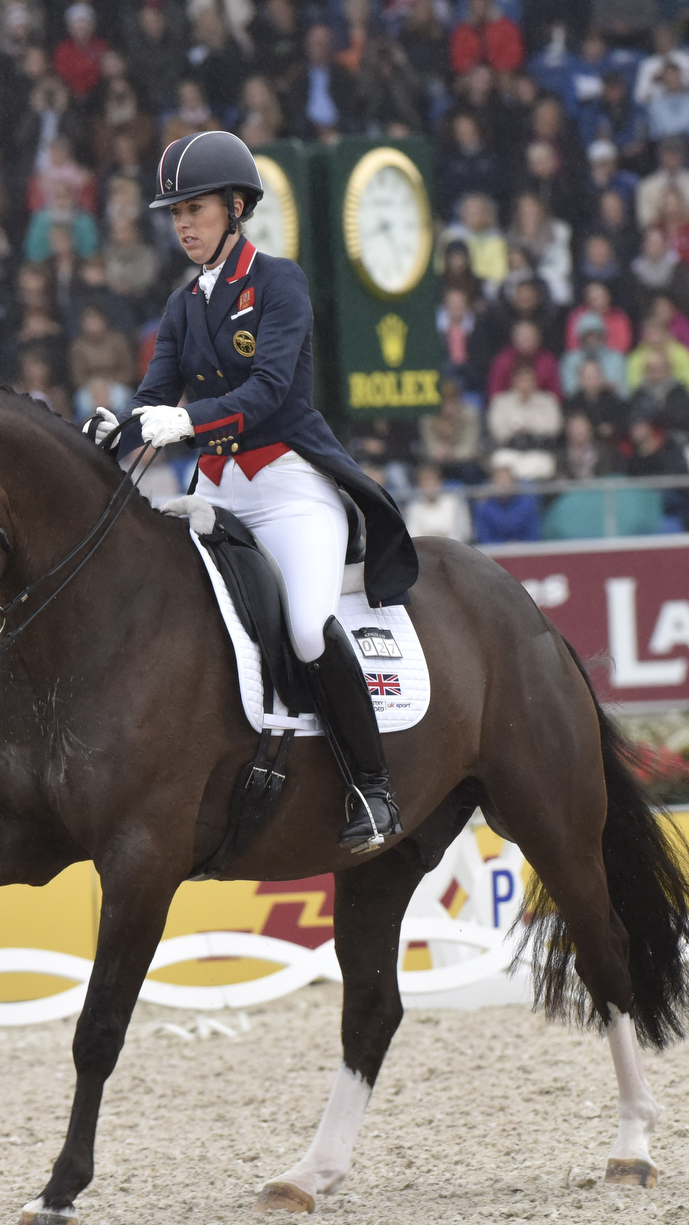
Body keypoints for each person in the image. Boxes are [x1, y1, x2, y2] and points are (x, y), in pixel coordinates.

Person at [113, 131, 417, 852]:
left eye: (197, 209)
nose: (184, 224)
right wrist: (111, 427)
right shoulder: (184, 304)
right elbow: (154, 395)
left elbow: (270, 389)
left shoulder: (279, 283)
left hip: (289, 487)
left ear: (237, 207)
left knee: (308, 626)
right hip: (216, 492)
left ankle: (372, 792)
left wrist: (185, 419)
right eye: (176, 213)